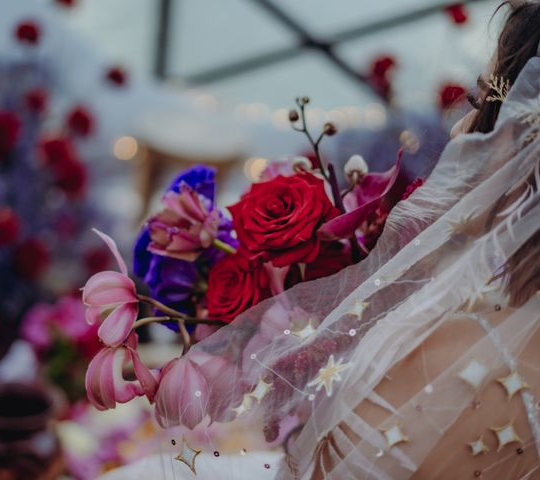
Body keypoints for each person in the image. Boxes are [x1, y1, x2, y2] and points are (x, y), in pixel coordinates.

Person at [104, 2, 540, 478]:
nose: (458, 128)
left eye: (478, 105)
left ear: (520, 137)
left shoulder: (441, 352)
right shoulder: (480, 323)